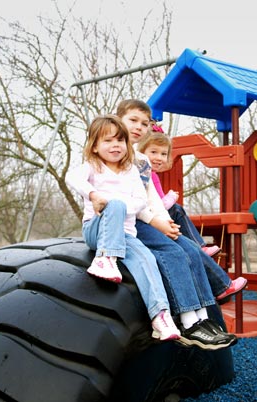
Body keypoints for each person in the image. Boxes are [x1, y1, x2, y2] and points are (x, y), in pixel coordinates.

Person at [116, 100, 247, 349]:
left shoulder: (140, 159)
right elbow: (126, 198)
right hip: (127, 222)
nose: (139, 127)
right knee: (173, 252)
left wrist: (166, 222)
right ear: (119, 118)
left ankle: (204, 319)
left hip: (147, 217)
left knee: (190, 248)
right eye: (133, 120)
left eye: (144, 123)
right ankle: (188, 322)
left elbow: (151, 196)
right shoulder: (116, 152)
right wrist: (156, 222)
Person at [69, 114, 180, 341]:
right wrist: (94, 194)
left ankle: (161, 316)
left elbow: (140, 201)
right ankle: (105, 259)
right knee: (116, 205)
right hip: (96, 231)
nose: (115, 145)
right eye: (107, 141)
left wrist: (115, 204)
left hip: (126, 234)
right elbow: (72, 177)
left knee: (147, 261)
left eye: (119, 140)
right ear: (95, 146)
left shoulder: (131, 171)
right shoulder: (93, 166)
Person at [138, 124, 221, 257]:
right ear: (141, 153)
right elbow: (160, 206)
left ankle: (194, 245)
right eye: (153, 152)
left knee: (176, 213)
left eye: (163, 154)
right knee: (176, 209)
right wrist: (170, 198)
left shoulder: (153, 174)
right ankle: (199, 246)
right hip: (147, 217)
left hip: (153, 215)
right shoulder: (148, 175)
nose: (159, 157)